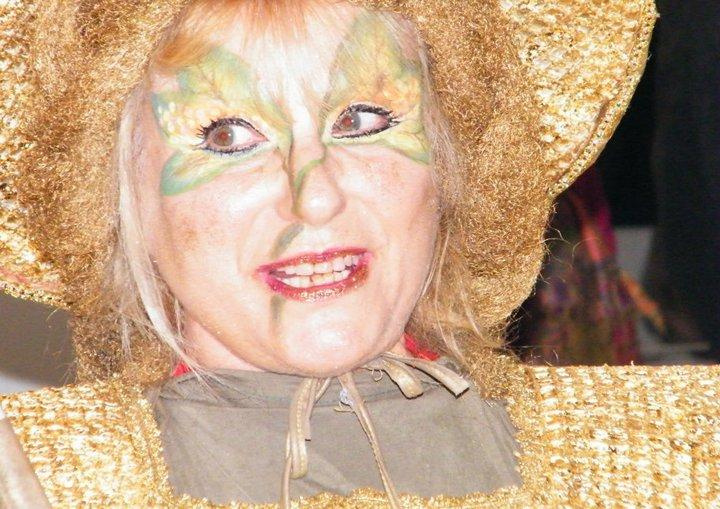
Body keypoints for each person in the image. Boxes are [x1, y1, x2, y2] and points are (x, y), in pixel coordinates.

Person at [0, 0, 717, 507]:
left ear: (451, 166)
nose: (315, 198)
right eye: (227, 136)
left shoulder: (682, 453)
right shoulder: (32, 478)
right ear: (117, 196)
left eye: (362, 119)